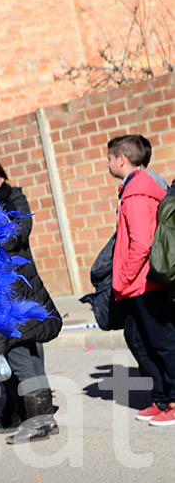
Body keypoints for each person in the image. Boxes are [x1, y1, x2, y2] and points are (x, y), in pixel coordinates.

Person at [0, 156, 62, 443]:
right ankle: (42, 419)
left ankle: (38, 422)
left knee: (23, 353)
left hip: (21, 286)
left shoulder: (14, 198)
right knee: (21, 353)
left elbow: (18, 234)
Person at [107, 134, 175, 426]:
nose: (108, 163)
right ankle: (161, 398)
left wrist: (122, 279)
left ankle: (172, 401)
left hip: (144, 283)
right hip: (141, 283)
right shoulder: (142, 186)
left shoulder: (136, 193)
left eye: (109, 158)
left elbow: (142, 243)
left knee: (163, 344)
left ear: (121, 159)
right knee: (141, 340)